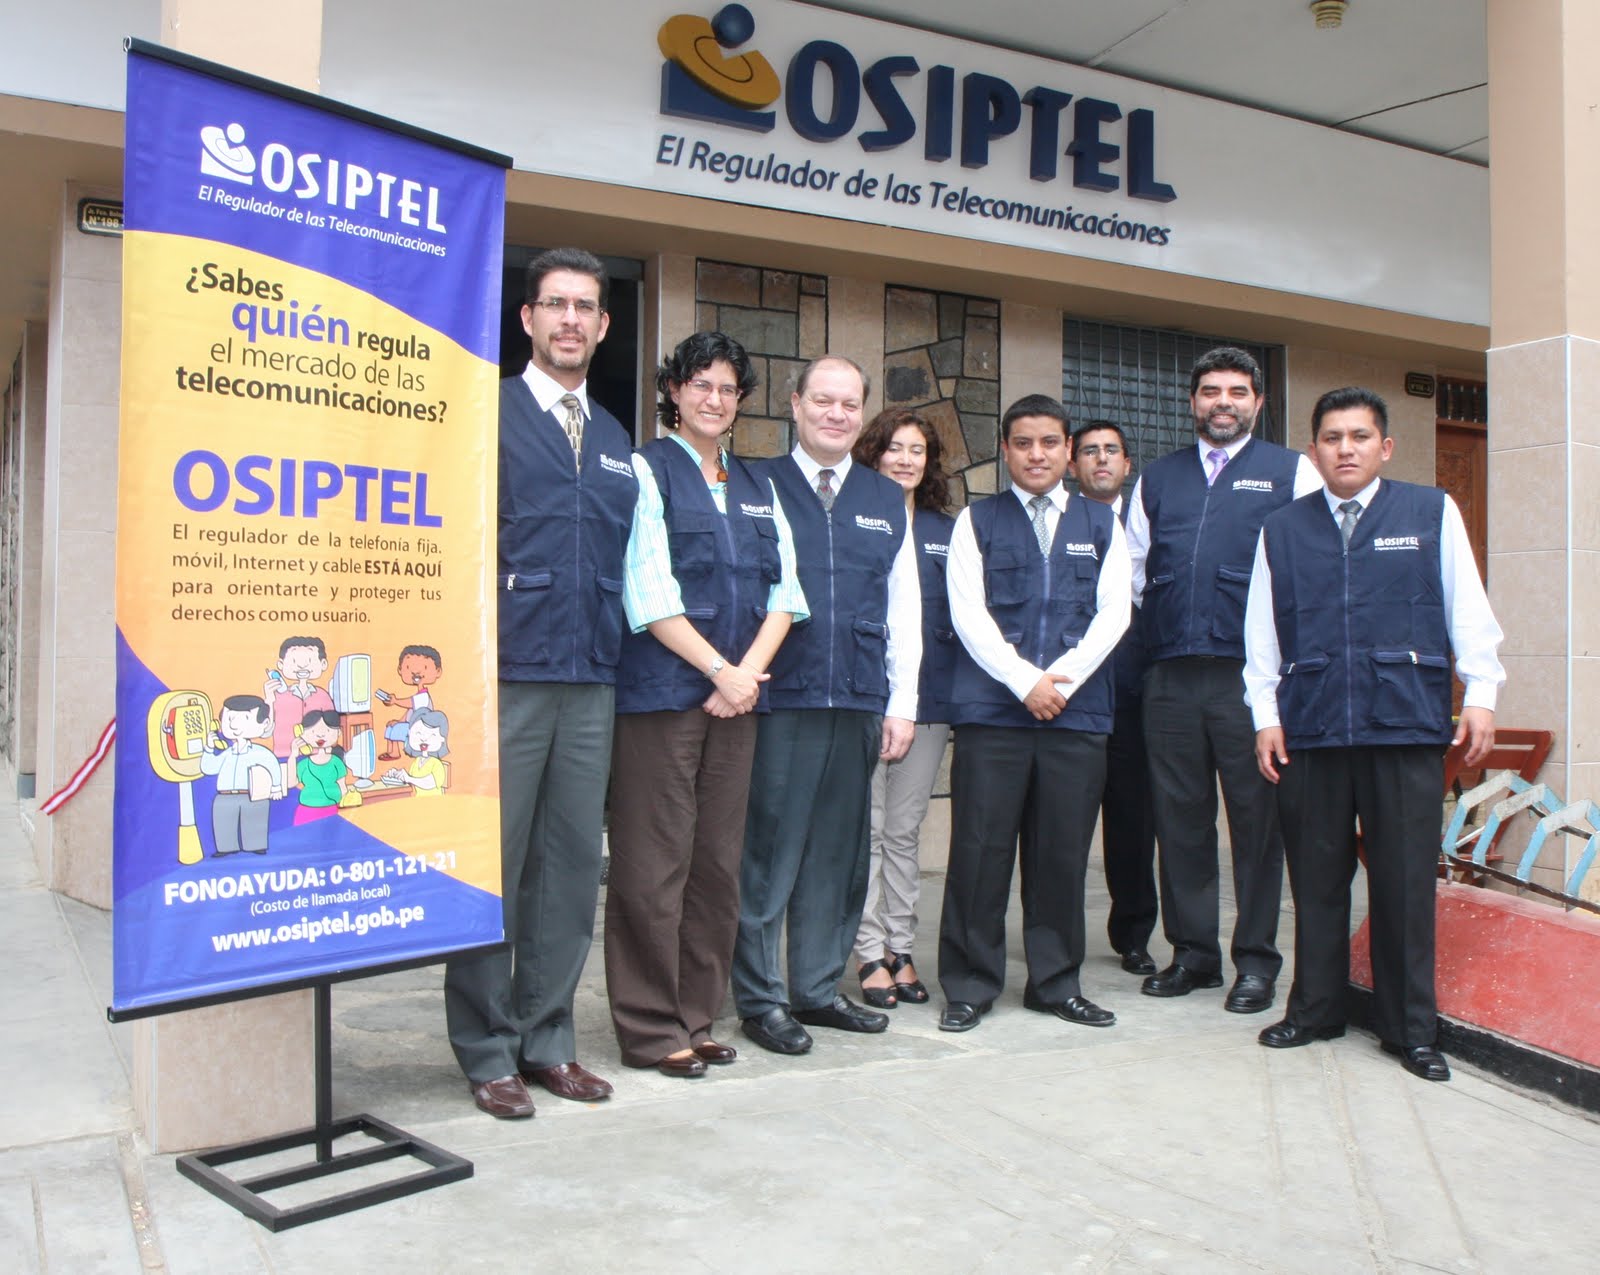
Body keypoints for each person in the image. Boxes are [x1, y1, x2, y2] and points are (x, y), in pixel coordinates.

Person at [1244, 386, 1503, 1082]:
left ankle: (1410, 1028)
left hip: (1404, 725)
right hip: (1313, 727)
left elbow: (1467, 608)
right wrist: (1265, 715)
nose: (1346, 449)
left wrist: (1481, 693)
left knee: (1406, 883)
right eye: (1332, 438)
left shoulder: (1430, 511)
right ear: (1314, 450)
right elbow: (1261, 634)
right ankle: (1315, 1010)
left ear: (1385, 447)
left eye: (1359, 437)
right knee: (1317, 880)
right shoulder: (1281, 528)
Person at [443, 247, 638, 1120]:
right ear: (527, 318)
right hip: (507, 677)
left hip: (591, 678)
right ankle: (487, 1048)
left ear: (603, 325)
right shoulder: (484, 413)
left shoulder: (616, 440)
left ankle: (548, 1038)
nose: (570, 319)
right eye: (555, 303)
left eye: (584, 307)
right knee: (496, 864)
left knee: (569, 866)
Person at [605, 331, 807, 1079]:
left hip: (738, 700)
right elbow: (647, 590)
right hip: (664, 700)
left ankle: (697, 1015)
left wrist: (745, 677)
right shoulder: (646, 470)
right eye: (700, 385)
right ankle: (650, 1027)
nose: (714, 399)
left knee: (717, 866)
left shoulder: (758, 486)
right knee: (654, 864)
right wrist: (721, 671)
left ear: (740, 400)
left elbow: (786, 594)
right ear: (674, 392)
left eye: (727, 388)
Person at [732, 354, 921, 1055]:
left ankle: (815, 988)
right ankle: (761, 999)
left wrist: (902, 701)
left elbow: (905, 607)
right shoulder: (755, 484)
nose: (836, 414)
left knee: (839, 857)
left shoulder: (884, 497)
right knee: (768, 855)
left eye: (849, 404)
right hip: (781, 696)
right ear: (795, 404)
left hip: (860, 697)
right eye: (823, 400)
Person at [1124, 346, 1321, 1014]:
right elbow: (1133, 572)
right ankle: (1194, 955)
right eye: (1211, 391)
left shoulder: (1291, 472)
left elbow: (1309, 568)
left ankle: (1256, 963)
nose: (1223, 402)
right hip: (1171, 676)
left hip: (1248, 680)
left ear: (1258, 402)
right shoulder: (1157, 478)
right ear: (1193, 401)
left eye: (1238, 391)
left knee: (1257, 826)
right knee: (1179, 821)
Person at [936, 395, 1130, 1033]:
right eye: (1023, 443)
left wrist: (1060, 683)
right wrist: (1025, 682)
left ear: (1068, 451)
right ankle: (970, 984)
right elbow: (968, 614)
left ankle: (1055, 983)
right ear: (1006, 450)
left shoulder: (1103, 523)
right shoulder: (977, 521)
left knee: (1061, 857)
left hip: (1075, 717)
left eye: (1049, 442)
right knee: (979, 853)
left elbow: (1114, 614)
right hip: (994, 715)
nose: (1037, 454)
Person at [850, 409, 956, 1010]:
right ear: (874, 453)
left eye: (918, 450)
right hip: (865, 697)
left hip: (929, 702)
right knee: (865, 829)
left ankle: (900, 946)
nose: (906, 460)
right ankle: (868, 950)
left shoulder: (947, 530)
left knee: (903, 831)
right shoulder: (856, 517)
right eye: (895, 448)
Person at [1070, 421, 1158, 976]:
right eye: (1089, 451)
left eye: (1111, 451)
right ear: (1073, 464)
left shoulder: (1147, 526)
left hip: (1134, 698)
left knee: (1133, 825)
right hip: (1069, 699)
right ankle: (1056, 937)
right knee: (1062, 827)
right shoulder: (1058, 523)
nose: (1100, 459)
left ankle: (1133, 936)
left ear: (1127, 465)